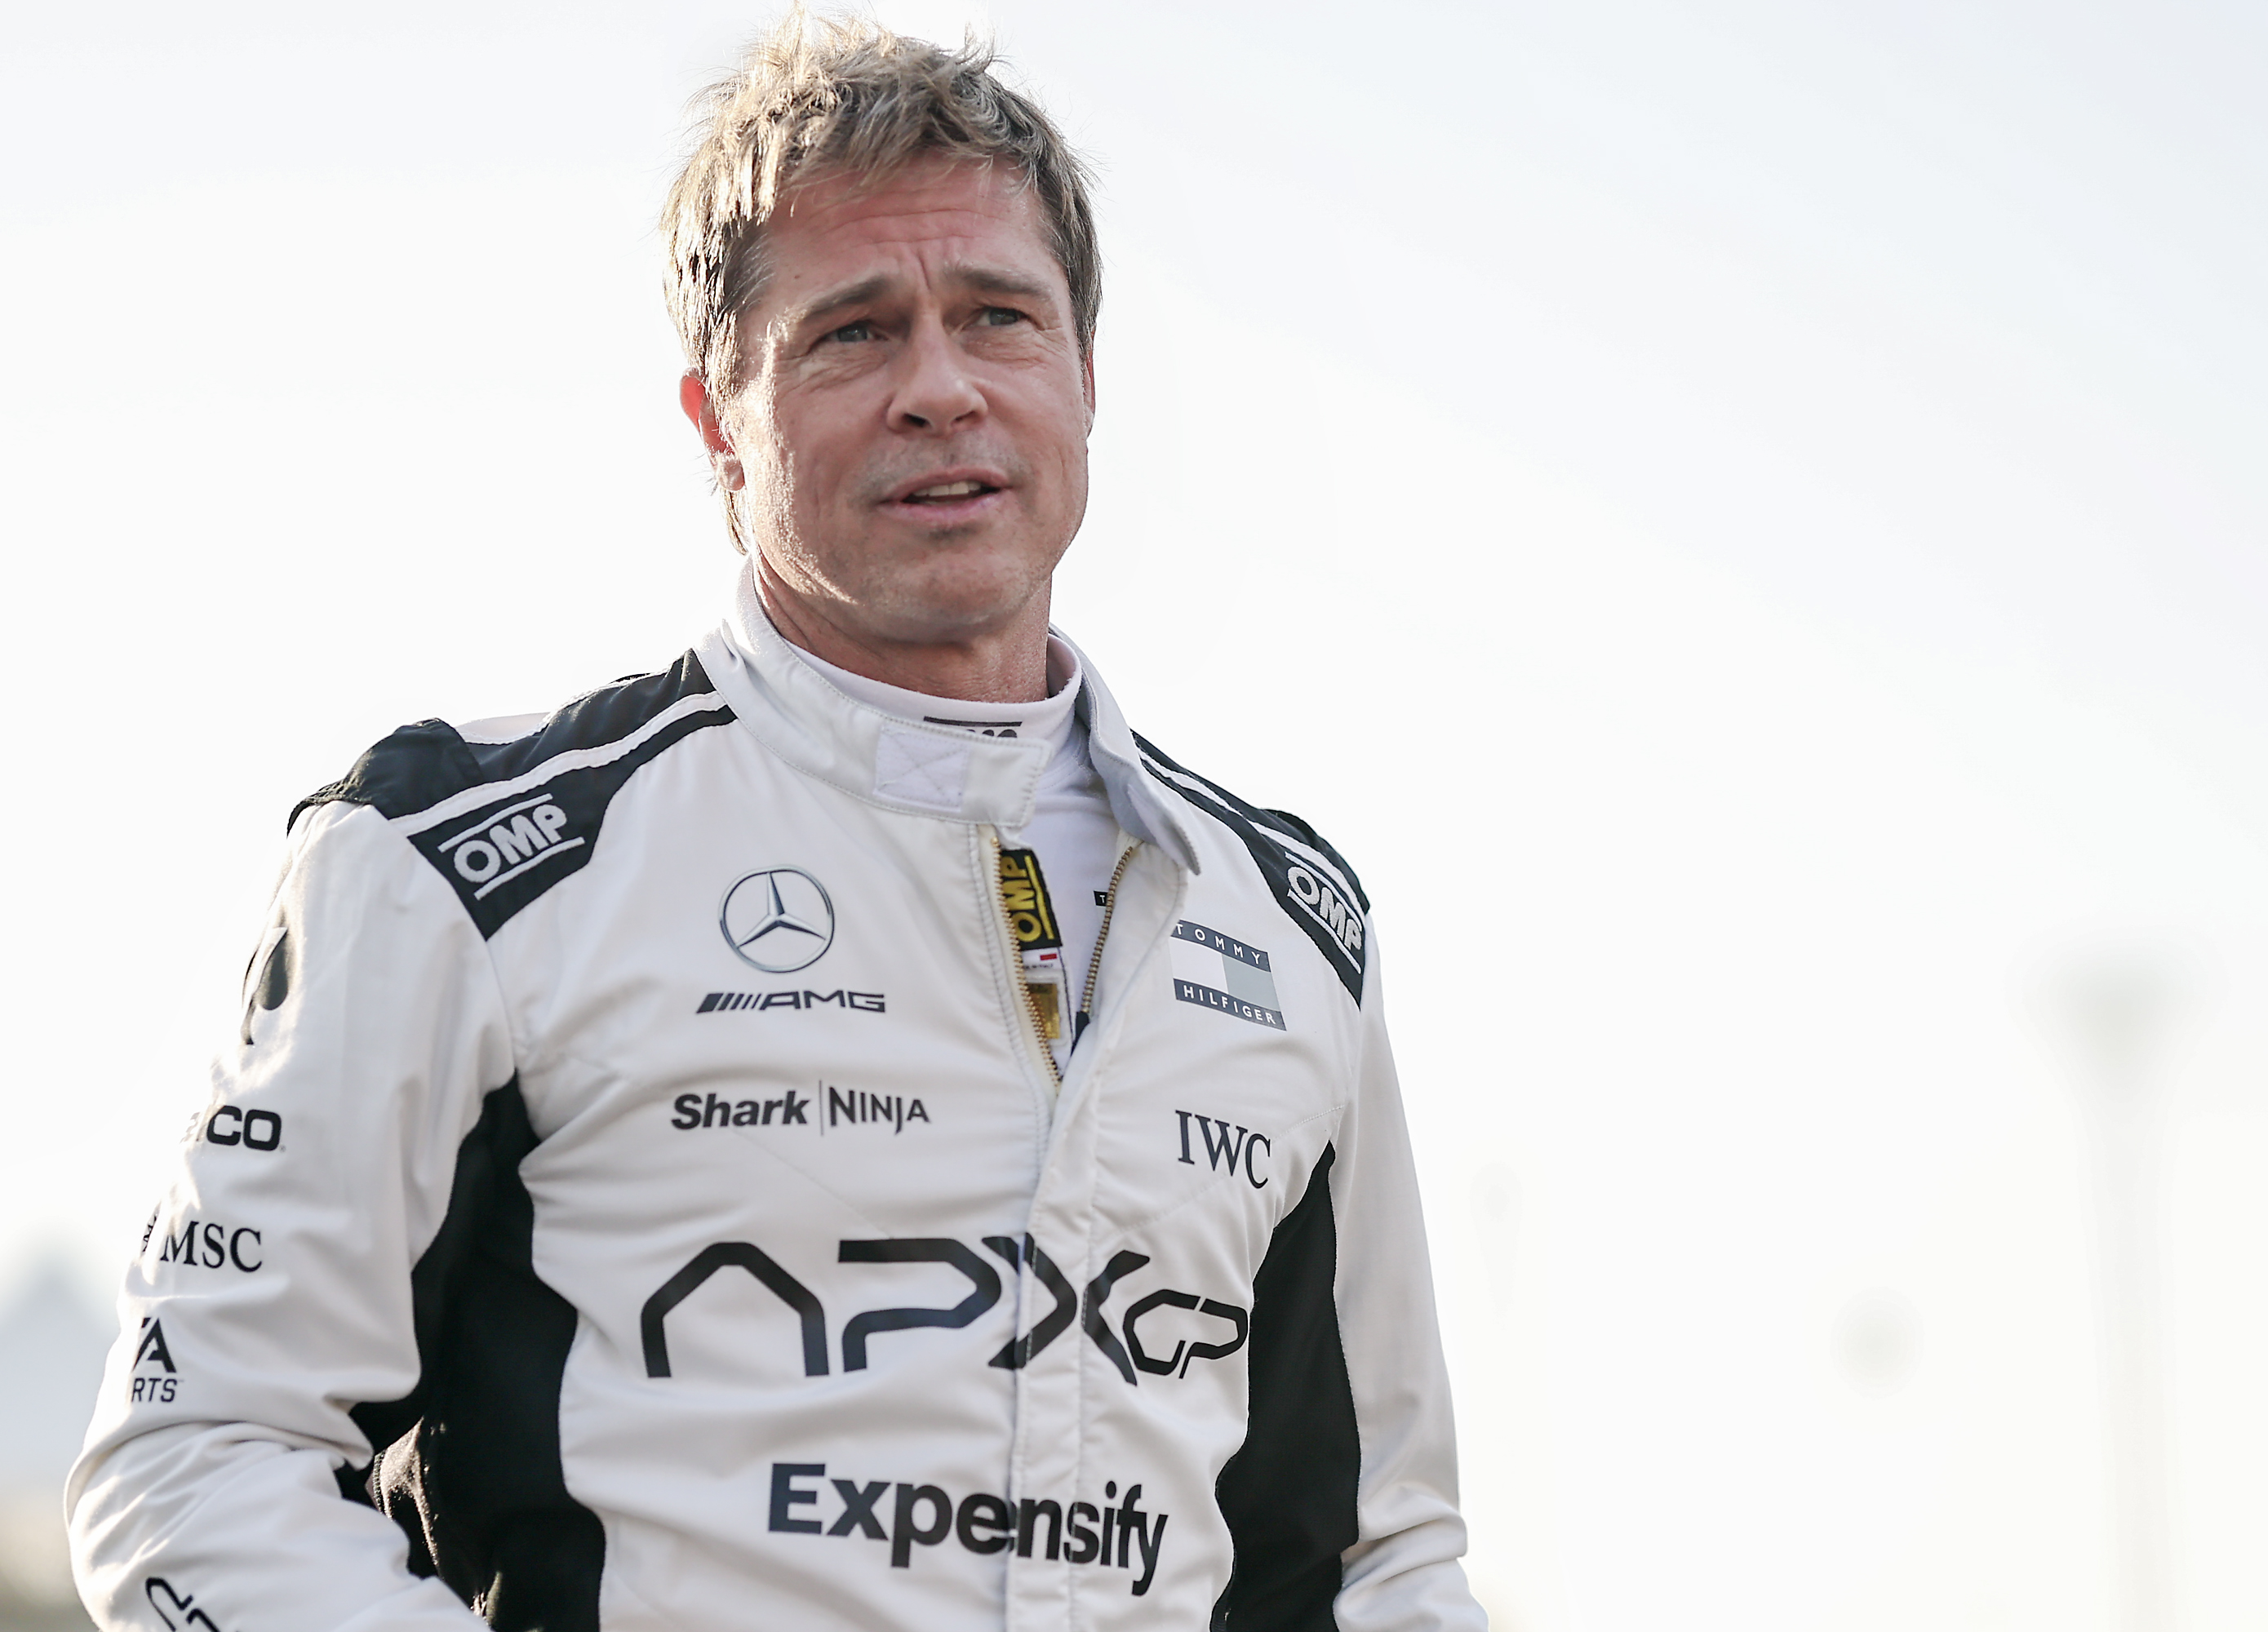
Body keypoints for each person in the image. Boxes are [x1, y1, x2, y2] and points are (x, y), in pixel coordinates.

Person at [69, 16, 1483, 1632]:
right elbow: (196, 1459)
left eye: (999, 319)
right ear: (716, 420)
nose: (939, 388)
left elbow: (1384, 1553)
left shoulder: (1291, 924)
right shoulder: (453, 862)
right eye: (852, 333)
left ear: (1087, 376)